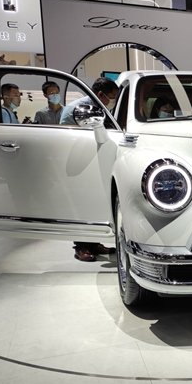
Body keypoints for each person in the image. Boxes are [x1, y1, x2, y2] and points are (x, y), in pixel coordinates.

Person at [59, 77, 119, 261]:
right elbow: (69, 137)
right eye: (112, 97)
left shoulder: (97, 107)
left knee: (93, 201)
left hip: (92, 159)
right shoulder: (80, 109)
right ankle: (81, 246)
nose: (113, 101)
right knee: (81, 202)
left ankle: (93, 243)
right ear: (100, 94)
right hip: (77, 160)